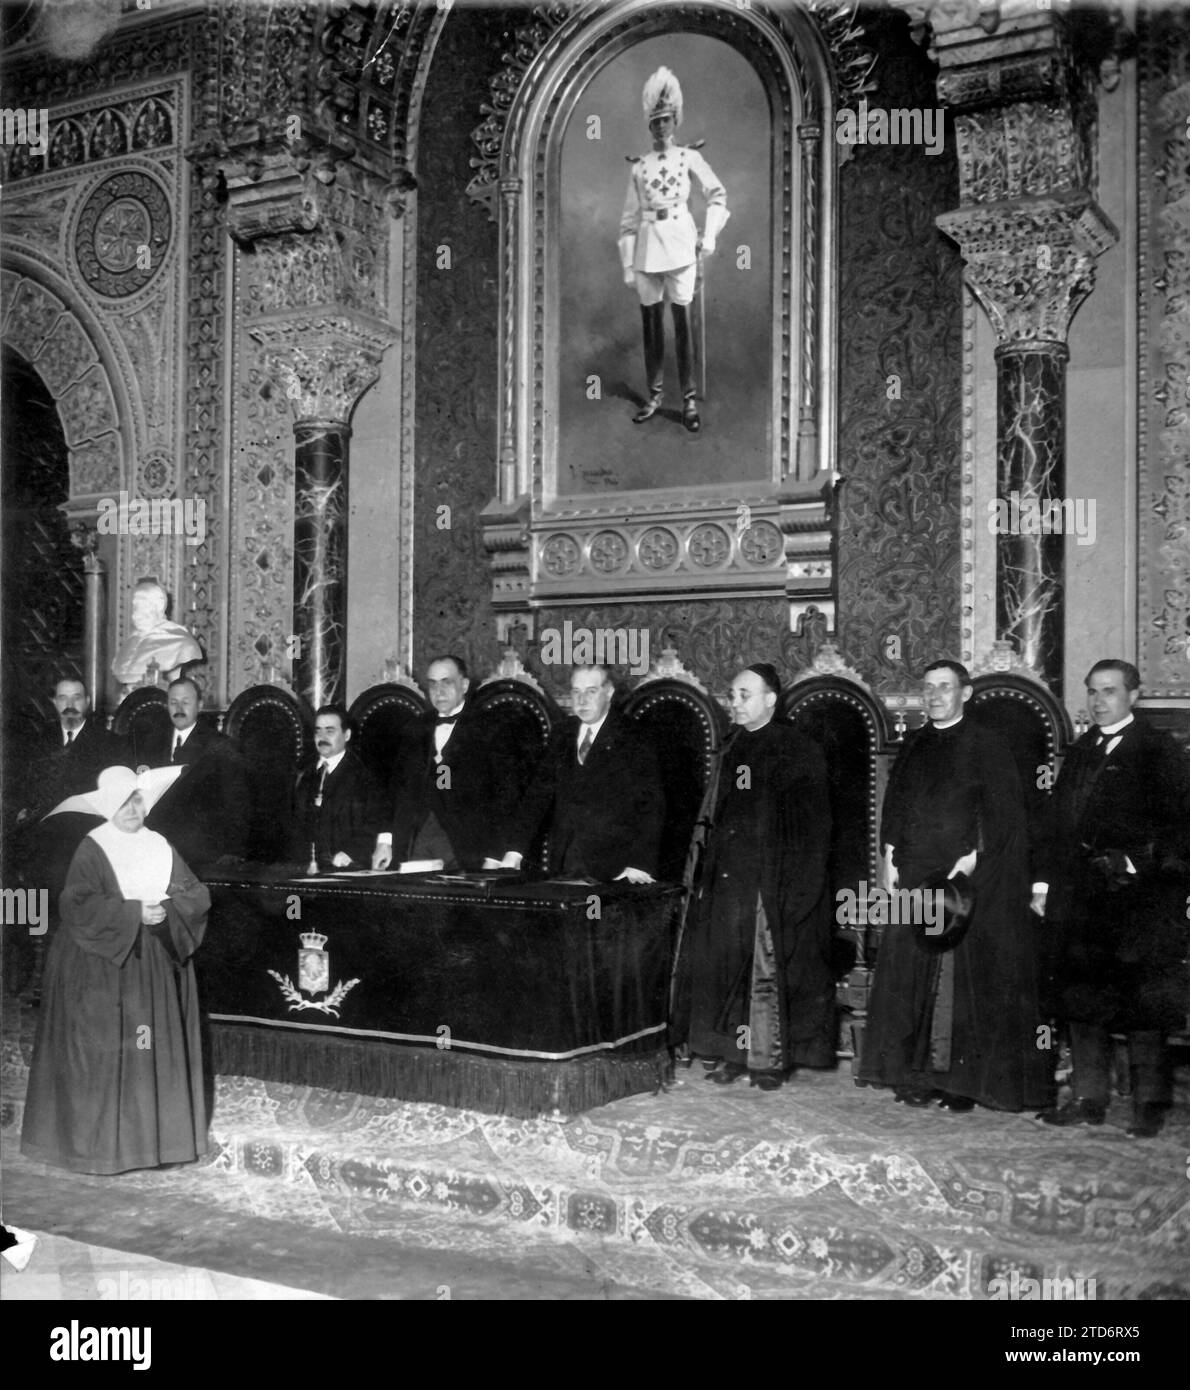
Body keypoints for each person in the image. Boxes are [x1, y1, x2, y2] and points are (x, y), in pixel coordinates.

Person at [857, 660, 1052, 1113]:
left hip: (960, 881)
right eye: (927, 688)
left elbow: (1004, 816)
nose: (934, 695)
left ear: (964, 693)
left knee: (953, 983)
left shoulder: (988, 745)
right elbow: (896, 804)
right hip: (911, 875)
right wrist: (887, 857)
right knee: (910, 978)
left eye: (944, 687)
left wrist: (972, 859)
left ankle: (957, 1082)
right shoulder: (915, 743)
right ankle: (913, 1074)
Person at [20, 765, 211, 1174]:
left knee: (146, 1044)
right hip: (100, 965)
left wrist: (169, 911)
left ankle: (153, 1144)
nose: (131, 809)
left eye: (137, 800)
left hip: (151, 964)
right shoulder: (93, 847)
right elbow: (77, 905)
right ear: (107, 808)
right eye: (121, 802)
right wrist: (133, 912)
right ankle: (101, 1148)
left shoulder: (160, 844)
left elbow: (194, 893)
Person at [1036, 659, 1190, 1138]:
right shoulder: (1081, 750)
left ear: (1134, 696)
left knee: (1142, 1006)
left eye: (1109, 691)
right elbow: (1056, 826)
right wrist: (1042, 886)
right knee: (1081, 1001)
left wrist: (1133, 864)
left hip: (1140, 902)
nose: (1099, 702)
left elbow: (1182, 831)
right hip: (1080, 899)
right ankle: (1088, 1097)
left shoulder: (1161, 751)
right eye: (1092, 692)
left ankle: (1149, 1104)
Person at [671, 664, 835, 1090]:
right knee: (726, 969)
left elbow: (814, 828)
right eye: (732, 695)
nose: (735, 703)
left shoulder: (798, 749)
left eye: (745, 695)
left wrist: (799, 889)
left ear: (770, 700)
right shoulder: (731, 748)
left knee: (763, 973)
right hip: (729, 880)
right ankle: (733, 1054)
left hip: (773, 882)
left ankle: (767, 1060)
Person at [618, 66, 729, 433]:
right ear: (649, 126)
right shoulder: (639, 168)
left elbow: (717, 195)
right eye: (655, 122)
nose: (661, 127)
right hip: (648, 250)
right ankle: (654, 396)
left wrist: (709, 235)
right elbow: (629, 220)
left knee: (682, 325)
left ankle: (689, 399)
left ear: (675, 121)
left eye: (666, 120)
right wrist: (627, 266)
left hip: (681, 247)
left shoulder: (689, 158)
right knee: (651, 326)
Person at [496, 665, 663, 882]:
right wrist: (515, 851)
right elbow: (537, 796)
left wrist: (639, 865)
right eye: (576, 692)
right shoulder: (562, 732)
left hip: (617, 870)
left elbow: (652, 806)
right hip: (564, 864)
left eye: (591, 691)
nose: (581, 700)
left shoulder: (634, 736)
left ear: (609, 692)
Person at [373, 655, 518, 872]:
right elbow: (395, 789)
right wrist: (385, 842)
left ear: (465, 685)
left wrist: (496, 855)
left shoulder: (490, 727)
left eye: (446, 682)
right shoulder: (415, 728)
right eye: (432, 684)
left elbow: (506, 798)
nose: (438, 690)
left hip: (468, 848)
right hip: (414, 840)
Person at [143, 677, 248, 870]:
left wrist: (233, 851)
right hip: (156, 849)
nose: (179, 707)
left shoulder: (220, 746)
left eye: (186, 701)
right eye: (173, 702)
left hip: (202, 852)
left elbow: (236, 803)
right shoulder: (153, 744)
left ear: (199, 705)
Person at [291, 704, 384, 869]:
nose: (322, 737)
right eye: (318, 731)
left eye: (330, 731)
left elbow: (375, 822)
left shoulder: (364, 775)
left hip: (347, 867)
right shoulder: (303, 772)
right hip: (304, 868)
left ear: (346, 735)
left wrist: (350, 853)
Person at [111, 579, 203, 688]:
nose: (136, 613)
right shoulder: (130, 641)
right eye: (135, 607)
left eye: (143, 606)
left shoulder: (182, 642)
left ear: (159, 607)